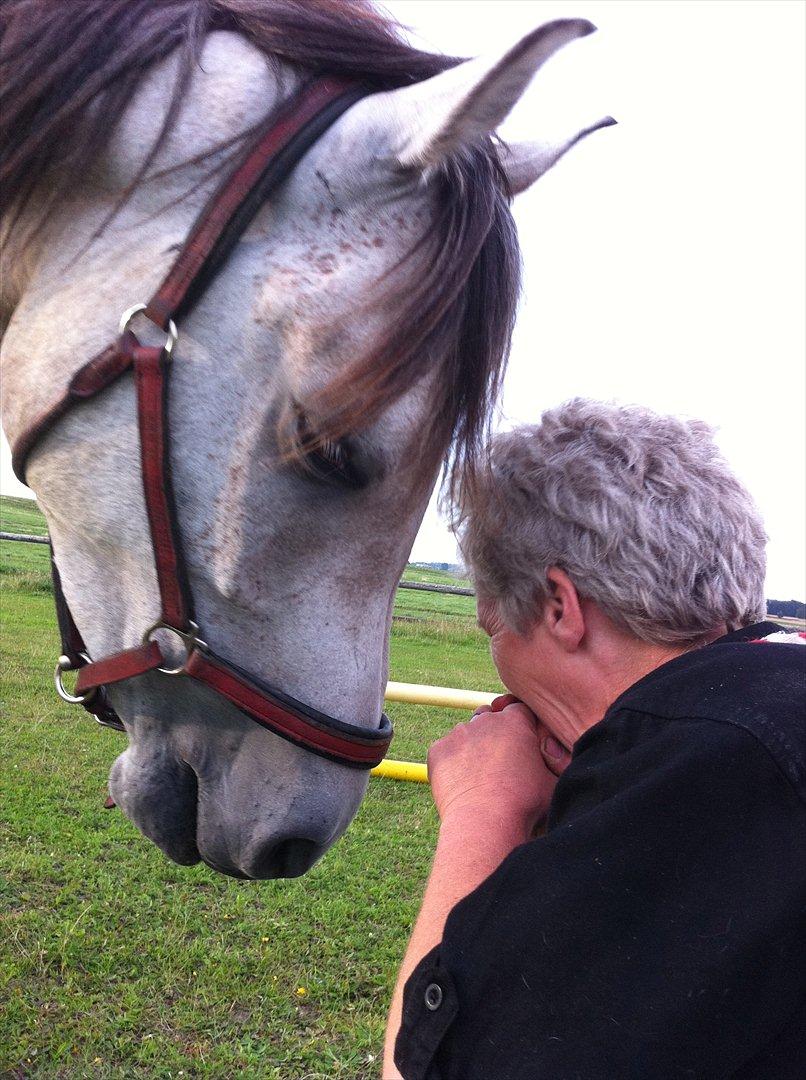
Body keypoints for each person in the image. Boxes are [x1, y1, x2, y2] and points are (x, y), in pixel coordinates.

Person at [383, 399, 805, 1080]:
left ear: (559, 606)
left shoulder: (710, 772)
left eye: (494, 629)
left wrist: (482, 810)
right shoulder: (770, 704)